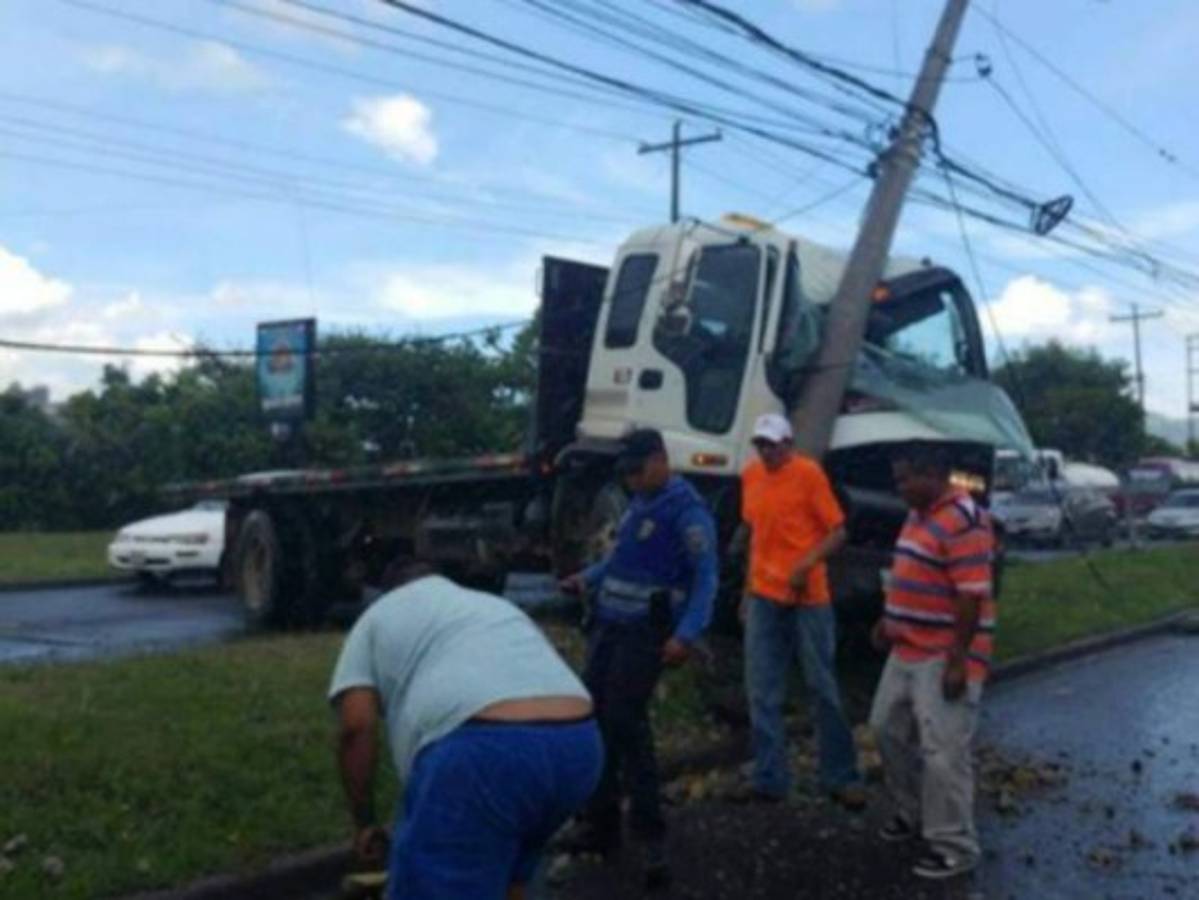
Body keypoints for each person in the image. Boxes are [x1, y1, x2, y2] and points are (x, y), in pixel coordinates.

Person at [328, 560, 602, 900]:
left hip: (483, 753)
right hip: (578, 743)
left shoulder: (375, 618)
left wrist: (364, 821)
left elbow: (356, 727)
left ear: (391, 591)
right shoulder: (491, 605)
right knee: (509, 882)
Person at [560, 427, 718, 888]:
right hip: (610, 625)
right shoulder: (640, 505)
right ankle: (600, 822)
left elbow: (706, 578)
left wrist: (687, 634)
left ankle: (650, 836)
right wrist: (585, 578)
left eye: (636, 470)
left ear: (660, 460)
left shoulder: (687, 513)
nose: (629, 479)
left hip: (645, 634)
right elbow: (620, 561)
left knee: (627, 725)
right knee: (594, 717)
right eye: (625, 473)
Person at [869, 441, 996, 880]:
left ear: (933, 475)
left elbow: (970, 595)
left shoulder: (965, 520)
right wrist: (888, 620)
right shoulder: (917, 514)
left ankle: (955, 845)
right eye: (898, 478)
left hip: (944, 652)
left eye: (906, 478)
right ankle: (913, 812)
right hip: (905, 645)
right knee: (885, 729)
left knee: (943, 751)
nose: (899, 487)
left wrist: (958, 660)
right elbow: (907, 572)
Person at [737, 412, 865, 809]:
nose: (767, 452)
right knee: (761, 688)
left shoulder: (808, 474)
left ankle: (841, 775)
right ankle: (770, 775)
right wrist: (746, 591)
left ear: (789, 444)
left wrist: (806, 565)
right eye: (761, 444)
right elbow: (756, 538)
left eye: (773, 445)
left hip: (808, 597)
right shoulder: (751, 477)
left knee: (820, 685)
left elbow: (838, 531)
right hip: (764, 594)